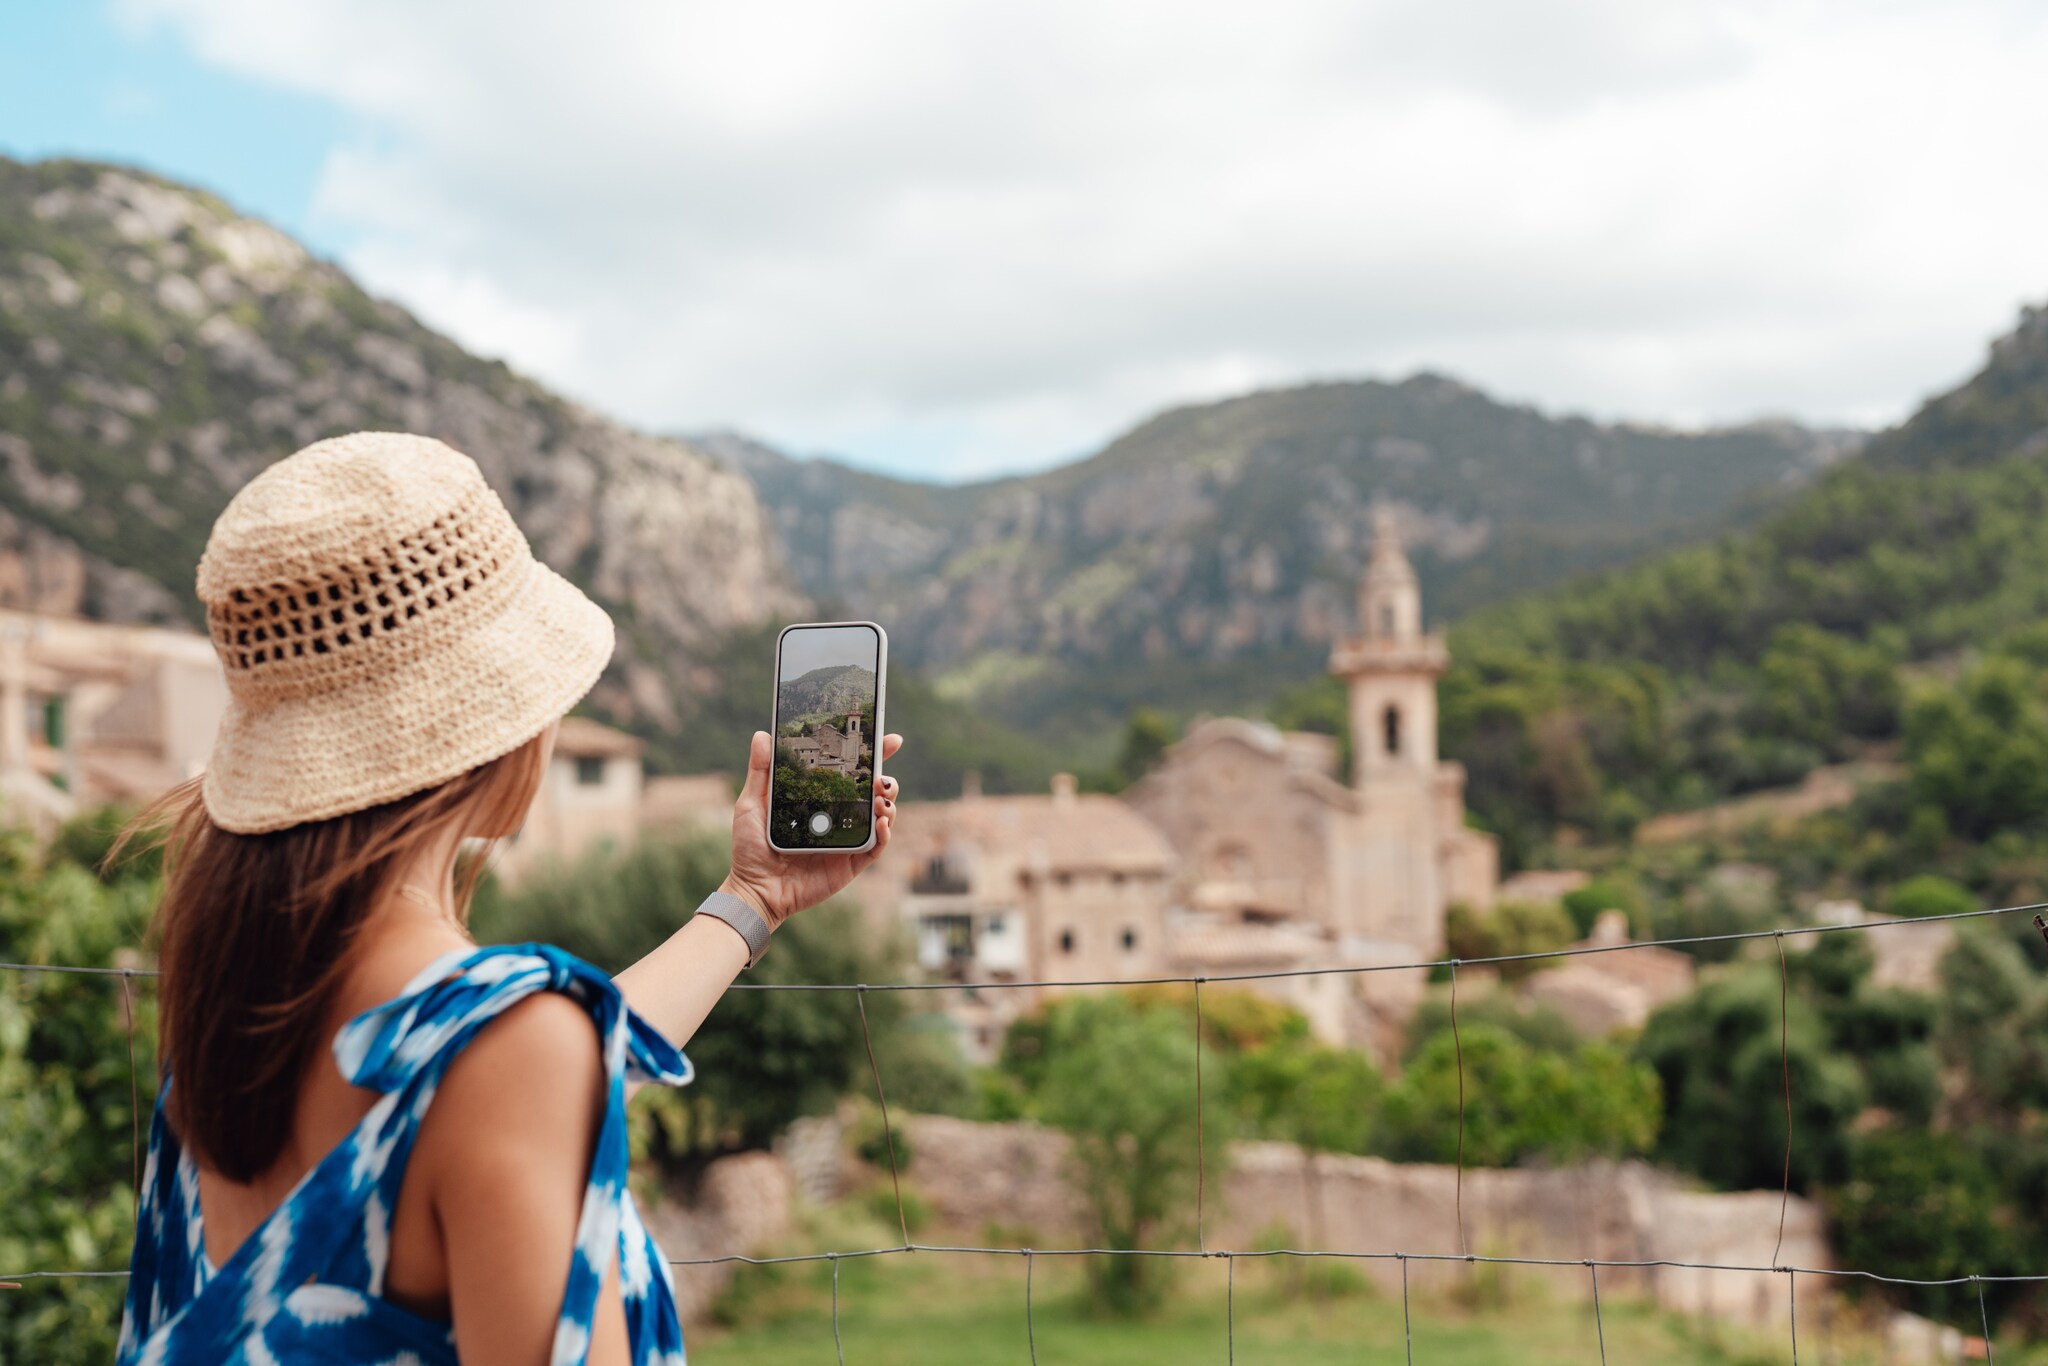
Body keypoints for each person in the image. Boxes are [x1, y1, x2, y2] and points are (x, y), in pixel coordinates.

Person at [115, 432, 901, 1365]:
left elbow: (527, 1067)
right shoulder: (506, 1047)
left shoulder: (231, 1019)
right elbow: (517, 1067)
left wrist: (754, 898)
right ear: (487, 728)